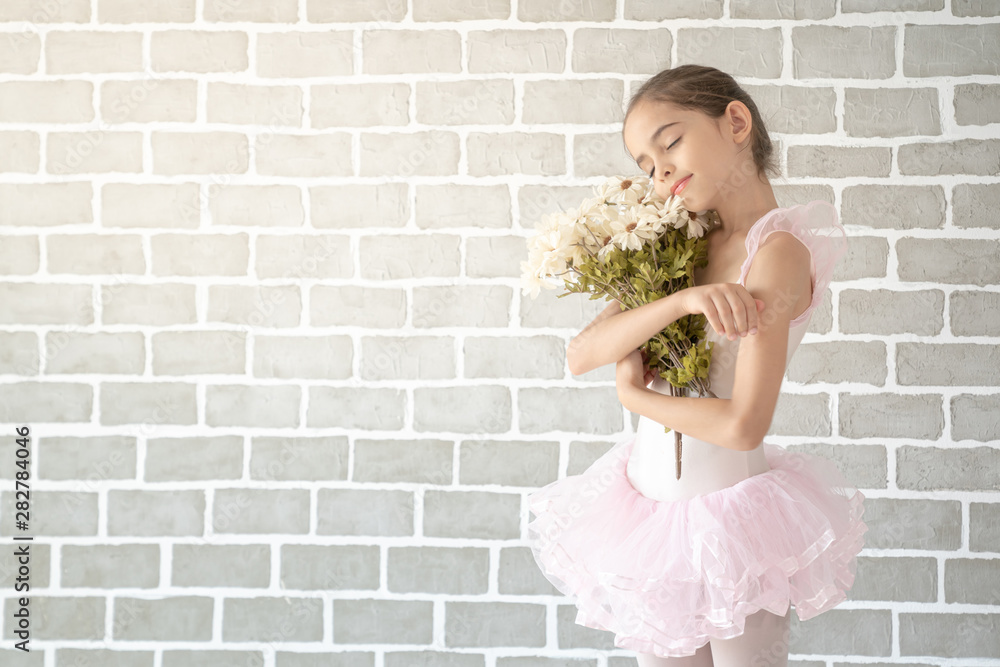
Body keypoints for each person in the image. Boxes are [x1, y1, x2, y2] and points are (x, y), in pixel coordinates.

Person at [526, 64, 868, 666]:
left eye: (671, 141)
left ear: (736, 121)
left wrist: (634, 398)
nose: (659, 171)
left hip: (731, 521)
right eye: (645, 164)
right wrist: (681, 299)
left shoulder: (777, 251)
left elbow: (742, 425)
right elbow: (583, 353)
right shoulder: (679, 248)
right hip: (650, 519)